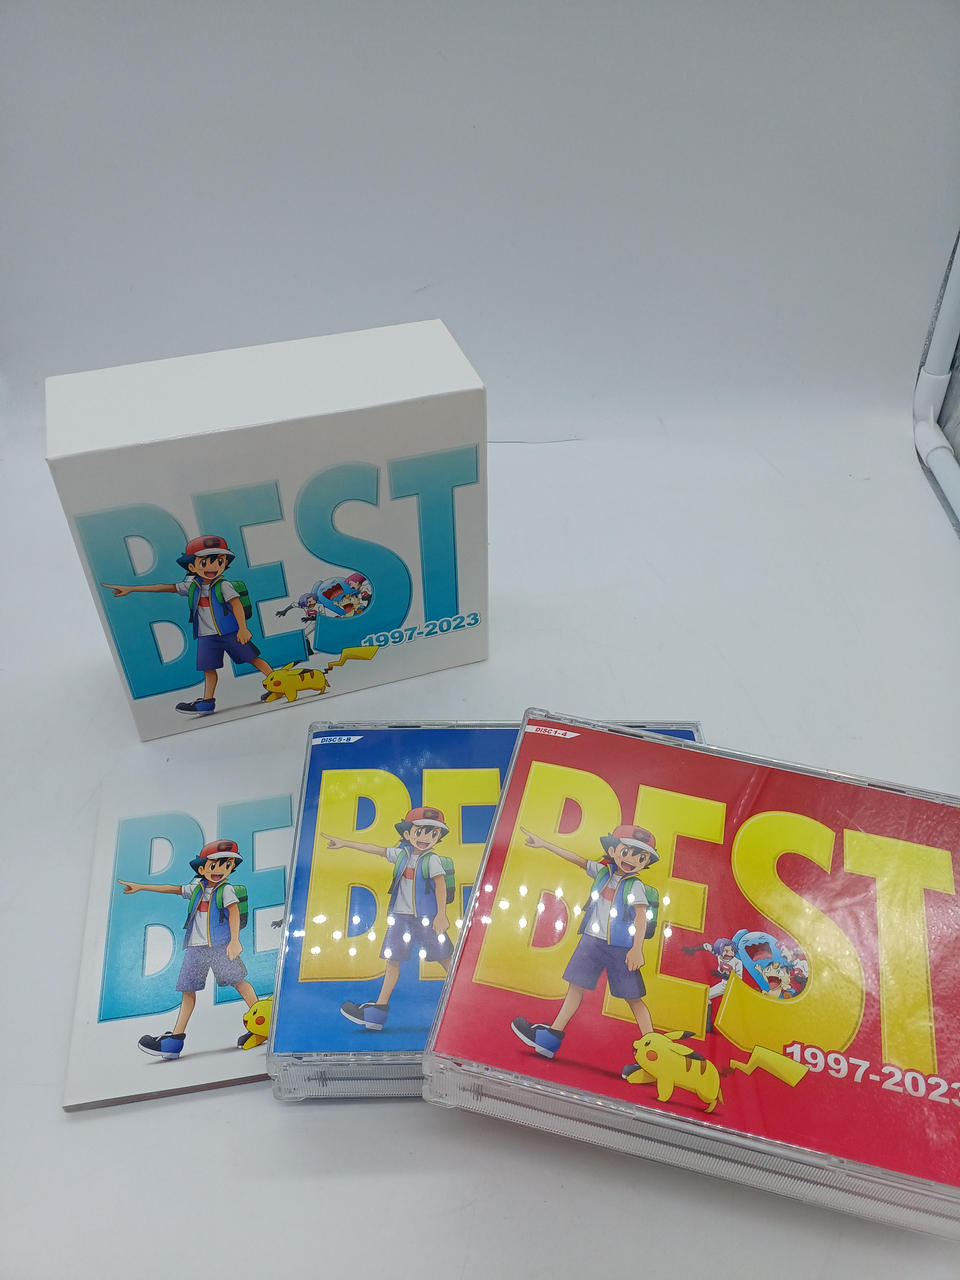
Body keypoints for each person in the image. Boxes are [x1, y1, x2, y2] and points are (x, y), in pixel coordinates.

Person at [510, 824, 660, 1060]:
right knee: (575, 987)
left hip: (621, 948)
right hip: (591, 941)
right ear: (613, 850)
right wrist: (545, 844)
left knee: (633, 998)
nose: (632, 860)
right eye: (627, 852)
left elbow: (641, 916)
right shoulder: (602, 872)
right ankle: (550, 1039)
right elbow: (577, 859)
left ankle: (656, 1052)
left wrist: (637, 948)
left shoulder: (636, 886)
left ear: (646, 862)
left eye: (641, 857)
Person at [118, 838, 260, 1058]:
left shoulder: (227, 890)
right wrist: (141, 886)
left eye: (227, 865)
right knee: (188, 991)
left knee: (239, 982)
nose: (220, 870)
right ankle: (174, 1042)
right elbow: (173, 889)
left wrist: (235, 941)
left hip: (220, 947)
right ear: (202, 868)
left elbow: (234, 913)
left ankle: (262, 1023)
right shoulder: (197, 888)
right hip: (196, 949)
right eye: (214, 865)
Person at [105, 534, 274, 715]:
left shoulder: (224, 586)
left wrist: (243, 628)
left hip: (230, 633)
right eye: (204, 563)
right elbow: (164, 587)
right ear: (192, 567)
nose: (212, 567)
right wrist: (131, 589)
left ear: (225, 563)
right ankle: (207, 702)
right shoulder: (192, 586)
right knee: (208, 669)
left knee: (253, 659)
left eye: (219, 561)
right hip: (206, 637)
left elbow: (237, 605)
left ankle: (278, 683)